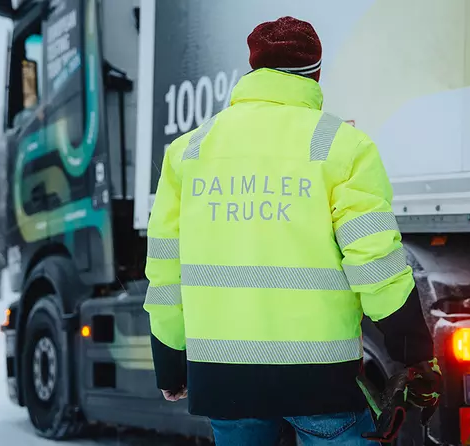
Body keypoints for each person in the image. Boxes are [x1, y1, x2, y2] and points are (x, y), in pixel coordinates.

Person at [143, 16, 440, 445]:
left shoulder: (188, 151)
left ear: (254, 70)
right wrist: (414, 351)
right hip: (321, 383)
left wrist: (170, 362)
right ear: (316, 74)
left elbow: (166, 273)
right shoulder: (344, 146)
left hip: (225, 383)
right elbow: (374, 260)